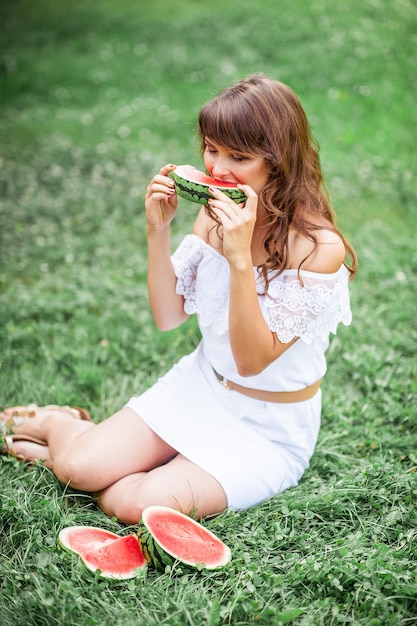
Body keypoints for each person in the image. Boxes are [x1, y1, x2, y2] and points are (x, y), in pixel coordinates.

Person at [1, 74, 357, 524]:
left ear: (279, 161)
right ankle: (60, 425)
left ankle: (77, 454)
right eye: (212, 149)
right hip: (201, 386)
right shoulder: (210, 219)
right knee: (79, 468)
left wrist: (239, 260)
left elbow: (251, 361)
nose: (218, 169)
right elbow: (168, 316)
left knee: (135, 505)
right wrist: (158, 230)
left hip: (269, 429)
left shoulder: (319, 250)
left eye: (239, 157)